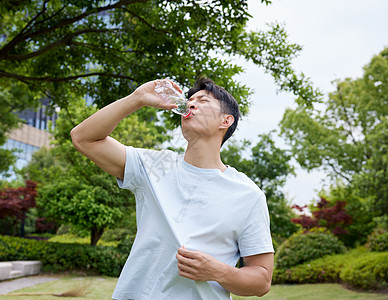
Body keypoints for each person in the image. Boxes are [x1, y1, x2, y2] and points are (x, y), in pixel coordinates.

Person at [70, 78, 274, 299]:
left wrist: (217, 271)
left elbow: (261, 280)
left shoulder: (248, 195)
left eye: (203, 101)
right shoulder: (154, 166)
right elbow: (83, 138)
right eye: (190, 100)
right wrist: (137, 98)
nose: (191, 104)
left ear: (226, 121)